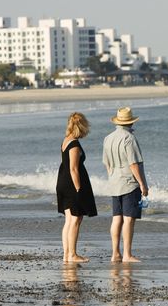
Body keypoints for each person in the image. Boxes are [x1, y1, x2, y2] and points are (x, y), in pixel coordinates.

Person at [103, 107, 149, 263]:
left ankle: (115, 253)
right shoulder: (129, 138)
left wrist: (113, 176)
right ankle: (127, 254)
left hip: (114, 182)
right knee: (129, 219)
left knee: (117, 218)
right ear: (130, 122)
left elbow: (107, 164)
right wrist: (143, 184)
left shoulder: (108, 138)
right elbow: (134, 164)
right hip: (129, 183)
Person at [56, 112, 98, 263]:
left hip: (63, 182)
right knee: (75, 219)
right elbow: (74, 169)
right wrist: (79, 189)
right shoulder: (73, 144)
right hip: (71, 184)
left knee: (69, 220)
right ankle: (72, 254)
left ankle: (66, 254)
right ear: (82, 126)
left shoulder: (66, 140)